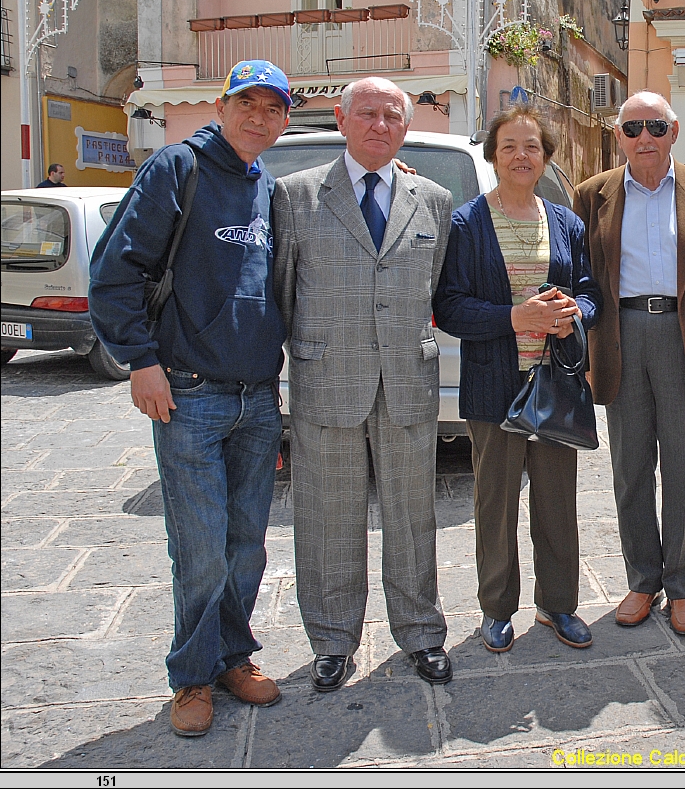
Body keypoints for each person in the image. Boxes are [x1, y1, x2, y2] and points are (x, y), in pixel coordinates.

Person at [89, 60, 292, 737]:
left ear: (285, 118)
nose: (258, 117)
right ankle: (193, 678)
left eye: (272, 108)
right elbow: (114, 271)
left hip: (257, 400)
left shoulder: (265, 186)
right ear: (221, 105)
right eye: (247, 104)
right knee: (200, 546)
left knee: (246, 546)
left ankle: (233, 656)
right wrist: (139, 361)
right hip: (189, 395)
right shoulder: (179, 168)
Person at [273, 76, 454, 692]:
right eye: (368, 114)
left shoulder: (431, 198)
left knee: (413, 515)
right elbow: (281, 291)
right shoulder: (295, 196)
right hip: (327, 381)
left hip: (408, 378)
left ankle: (422, 633)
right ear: (341, 120)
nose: (380, 125)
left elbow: (432, 284)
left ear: (407, 128)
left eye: (393, 116)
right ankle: (331, 639)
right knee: (327, 517)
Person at [573, 91, 685, 639]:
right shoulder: (591, 196)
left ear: (673, 131)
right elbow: (579, 278)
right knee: (629, 467)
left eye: (654, 126)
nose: (643, 137)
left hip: (684, 336)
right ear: (618, 136)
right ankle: (642, 579)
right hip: (619, 335)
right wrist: (587, 353)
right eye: (632, 128)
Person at [433, 105, 601, 653]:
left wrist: (574, 310)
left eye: (532, 146)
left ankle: (558, 605)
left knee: (557, 503)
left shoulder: (565, 222)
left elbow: (590, 291)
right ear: (493, 154)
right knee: (495, 503)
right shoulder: (466, 223)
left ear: (546, 157)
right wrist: (513, 317)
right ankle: (497, 608)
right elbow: (451, 308)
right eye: (509, 146)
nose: (521, 156)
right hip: (493, 385)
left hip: (554, 385)